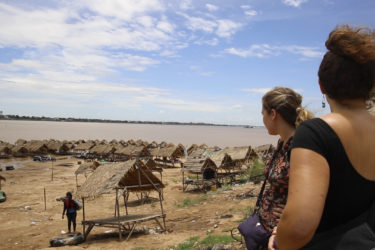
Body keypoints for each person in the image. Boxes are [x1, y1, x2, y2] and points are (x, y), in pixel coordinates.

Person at [272, 25, 375, 249]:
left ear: (321, 85)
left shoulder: (316, 133)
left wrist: (279, 242)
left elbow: (300, 226)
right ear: (369, 85)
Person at [239, 87, 313, 249]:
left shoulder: (299, 147)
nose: (262, 120)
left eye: (262, 114)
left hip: (281, 235)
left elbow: (309, 196)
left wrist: (279, 230)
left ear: (273, 114)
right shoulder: (282, 143)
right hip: (266, 228)